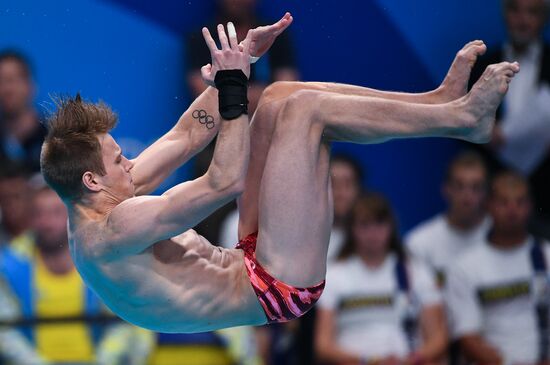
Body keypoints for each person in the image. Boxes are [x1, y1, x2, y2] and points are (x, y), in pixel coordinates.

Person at [39, 12, 519, 333]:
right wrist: (229, 88)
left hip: (250, 258)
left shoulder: (102, 199)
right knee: (306, 112)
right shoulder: (115, 228)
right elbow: (224, 182)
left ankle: (437, 102)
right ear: (91, 181)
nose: (130, 162)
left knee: (277, 99)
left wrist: (242, 63)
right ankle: (461, 120)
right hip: (276, 286)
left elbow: (185, 137)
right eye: (119, 159)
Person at [0, 185, 150, 365]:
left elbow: (123, 323)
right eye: (38, 214)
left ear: (72, 217)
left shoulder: (104, 262)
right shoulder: (9, 267)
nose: (46, 222)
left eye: (55, 213)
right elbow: (5, 332)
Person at [315, 193, 446, 364]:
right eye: (364, 225)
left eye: (379, 224)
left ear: (391, 227)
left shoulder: (416, 272)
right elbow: (323, 345)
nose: (373, 233)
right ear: (352, 229)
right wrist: (370, 361)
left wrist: (411, 360)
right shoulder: (333, 275)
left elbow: (438, 338)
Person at [446, 170, 550, 364]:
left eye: (520, 202)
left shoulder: (546, 256)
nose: (512, 209)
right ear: (488, 206)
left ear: (530, 206)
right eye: (504, 202)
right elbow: (467, 338)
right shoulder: (465, 266)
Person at [469, 0, 550, 237]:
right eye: (515, 10)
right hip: (491, 190)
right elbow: (457, 122)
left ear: (544, 18)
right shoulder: (482, 64)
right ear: (505, 14)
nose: (523, 19)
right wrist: (481, 131)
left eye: (531, 12)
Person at [406, 150, 491, 286]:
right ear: (446, 189)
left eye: (476, 187)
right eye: (459, 186)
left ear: (485, 192)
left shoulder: (503, 238)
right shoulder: (419, 244)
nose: (467, 196)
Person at [0, 50, 46, 172]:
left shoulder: (55, 139)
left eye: (12, 80)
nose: (7, 89)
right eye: (0, 81)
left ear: (31, 86)